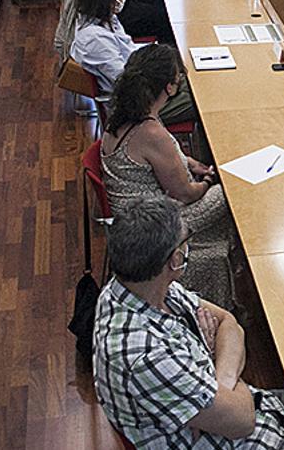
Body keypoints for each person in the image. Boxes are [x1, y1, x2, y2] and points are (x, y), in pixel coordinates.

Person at [93, 194, 284, 448]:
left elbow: (229, 323)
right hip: (242, 439)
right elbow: (243, 421)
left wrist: (218, 383)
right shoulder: (144, 355)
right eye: (186, 239)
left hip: (257, 407)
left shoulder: (141, 286)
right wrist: (219, 368)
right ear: (175, 260)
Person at [101, 44, 236, 310]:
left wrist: (191, 163)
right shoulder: (151, 132)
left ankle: (227, 254)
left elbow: (161, 154)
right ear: (169, 88)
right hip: (156, 227)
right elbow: (184, 194)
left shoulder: (124, 116)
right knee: (234, 190)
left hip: (135, 220)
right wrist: (209, 180)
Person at [69, 0, 195, 126]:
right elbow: (127, 81)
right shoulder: (94, 40)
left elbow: (129, 50)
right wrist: (169, 80)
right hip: (137, 107)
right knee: (201, 100)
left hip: (146, 87)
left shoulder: (107, 19)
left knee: (197, 79)